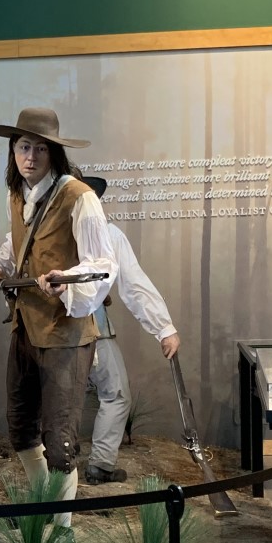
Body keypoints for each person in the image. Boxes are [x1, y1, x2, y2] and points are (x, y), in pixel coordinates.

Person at [0, 108, 118, 527]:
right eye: (24, 147)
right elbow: (17, 242)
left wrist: (66, 280)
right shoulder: (18, 194)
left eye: (40, 148)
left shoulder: (79, 197)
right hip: (25, 326)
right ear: (13, 151)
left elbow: (102, 265)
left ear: (54, 152)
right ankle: (44, 504)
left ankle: (62, 530)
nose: (31, 156)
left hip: (65, 334)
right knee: (20, 428)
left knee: (60, 442)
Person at [79, 178, 180, 484]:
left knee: (59, 399)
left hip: (51, 332)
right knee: (115, 393)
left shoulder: (45, 236)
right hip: (89, 329)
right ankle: (99, 464)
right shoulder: (107, 234)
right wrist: (163, 328)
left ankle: (56, 467)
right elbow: (133, 285)